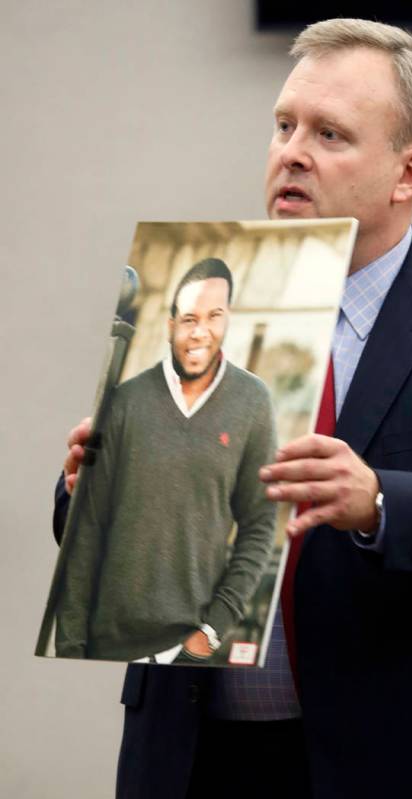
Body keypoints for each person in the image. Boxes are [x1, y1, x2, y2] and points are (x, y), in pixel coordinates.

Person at [57, 18, 412, 799]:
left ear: (406, 173)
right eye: (284, 125)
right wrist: (91, 489)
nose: (291, 152)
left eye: (330, 134)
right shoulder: (197, 303)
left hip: (411, 759)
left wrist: (379, 501)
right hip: (200, 757)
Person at [54, 257, 277, 664]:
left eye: (214, 316)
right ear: (170, 324)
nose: (200, 332)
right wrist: (70, 645)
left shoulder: (253, 402)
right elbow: (86, 531)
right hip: (107, 645)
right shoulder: (124, 402)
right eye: (189, 318)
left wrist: (211, 631)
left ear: (229, 321)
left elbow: (260, 526)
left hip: (189, 654)